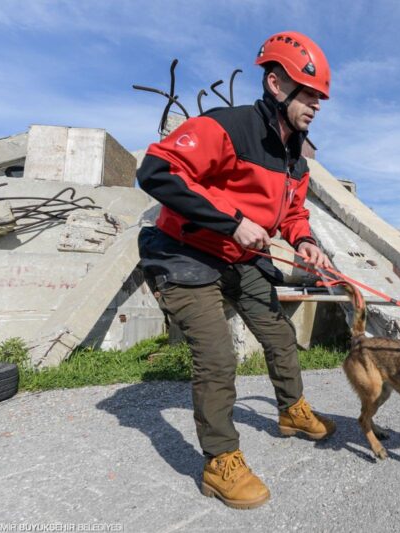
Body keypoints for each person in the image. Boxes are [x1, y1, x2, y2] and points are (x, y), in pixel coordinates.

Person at [136, 31, 336, 510]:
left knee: (280, 336)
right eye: (308, 94)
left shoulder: (297, 160)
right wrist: (232, 222)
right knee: (218, 357)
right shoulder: (225, 126)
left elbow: (292, 214)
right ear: (275, 84)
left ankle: (292, 411)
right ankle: (219, 461)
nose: (316, 105)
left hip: (240, 258)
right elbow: (155, 171)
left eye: (320, 98)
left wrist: (306, 242)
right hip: (185, 252)